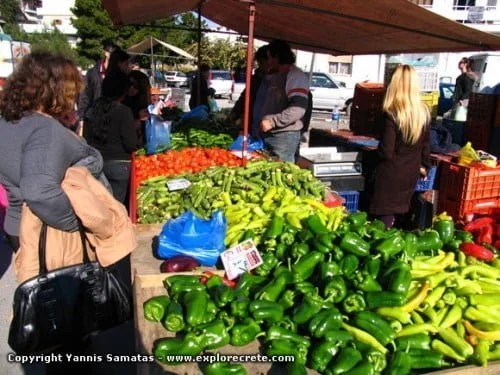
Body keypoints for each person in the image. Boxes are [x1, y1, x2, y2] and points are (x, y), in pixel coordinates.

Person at [0, 52, 100, 251]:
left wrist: (66, 128)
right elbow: (39, 192)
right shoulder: (44, 130)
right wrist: (76, 223)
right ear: (57, 90)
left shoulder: (9, 120)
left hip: (18, 227)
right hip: (48, 234)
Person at [369, 65, 431, 229]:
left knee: (383, 224)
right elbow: (426, 146)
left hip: (389, 176)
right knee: (402, 218)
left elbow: (386, 151)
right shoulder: (423, 112)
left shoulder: (391, 113)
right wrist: (425, 166)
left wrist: (373, 155)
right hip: (410, 173)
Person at [84, 71, 138, 205]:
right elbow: (131, 144)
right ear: (123, 91)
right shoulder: (124, 111)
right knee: (116, 208)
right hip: (119, 166)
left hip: (95, 164)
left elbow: (85, 139)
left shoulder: (92, 109)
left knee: (98, 207)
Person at [259, 40, 310, 162]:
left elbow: (298, 109)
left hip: (284, 137)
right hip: (273, 135)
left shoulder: (295, 76)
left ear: (276, 57)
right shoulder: (278, 75)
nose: (268, 61)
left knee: (280, 172)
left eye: (269, 57)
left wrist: (273, 122)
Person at [230, 45, 270, 132]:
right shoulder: (256, 78)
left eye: (262, 62)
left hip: (268, 125)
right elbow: (245, 96)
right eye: (259, 62)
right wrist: (235, 112)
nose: (260, 65)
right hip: (254, 122)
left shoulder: (279, 80)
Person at [77, 40, 116, 122]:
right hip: (93, 118)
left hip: (113, 119)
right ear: (106, 53)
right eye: (112, 53)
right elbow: (84, 96)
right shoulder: (93, 73)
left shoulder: (119, 75)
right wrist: (81, 118)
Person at [123, 69, 152, 147]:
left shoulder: (142, 103)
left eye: (136, 86)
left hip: (136, 143)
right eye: (129, 84)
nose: (132, 88)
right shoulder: (121, 100)